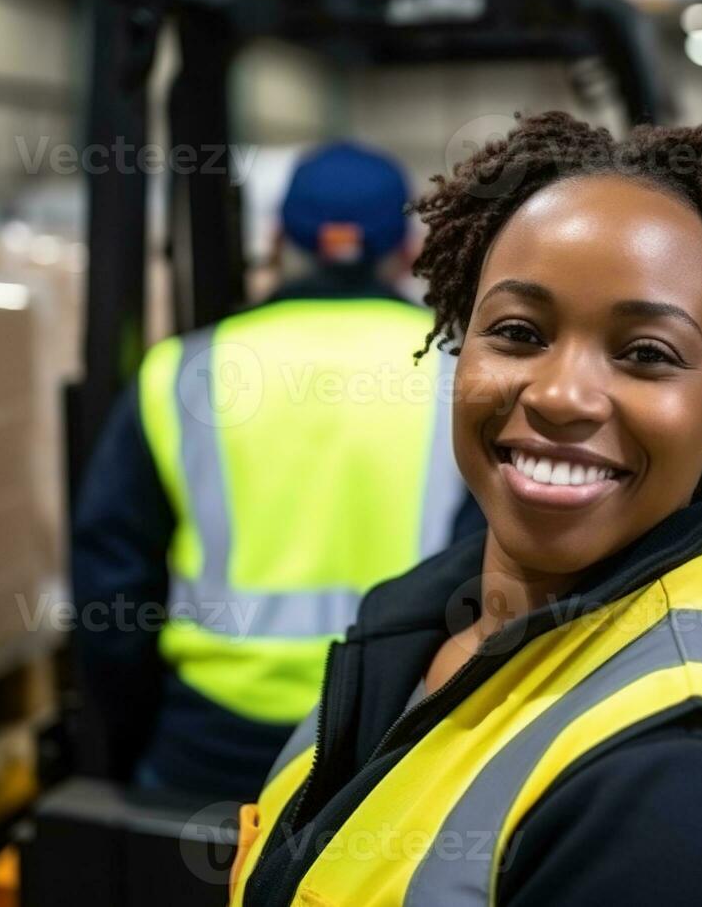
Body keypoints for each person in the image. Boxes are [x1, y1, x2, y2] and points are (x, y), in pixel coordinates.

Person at [227, 113, 702, 905]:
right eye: (517, 332)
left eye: (646, 353)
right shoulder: (413, 634)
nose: (560, 396)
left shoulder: (694, 786)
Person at [71, 142, 475, 802]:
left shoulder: (181, 372)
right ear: (407, 251)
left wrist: (130, 726)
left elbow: (110, 586)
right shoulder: (465, 376)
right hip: (388, 740)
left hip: (210, 743)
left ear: (277, 240)